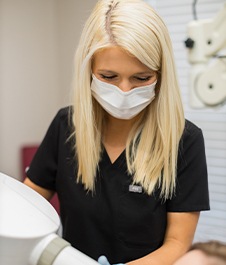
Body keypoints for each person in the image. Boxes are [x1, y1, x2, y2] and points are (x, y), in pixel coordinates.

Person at [23, 0, 210, 264]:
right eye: (109, 77)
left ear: (161, 74)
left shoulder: (184, 141)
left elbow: (178, 244)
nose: (124, 91)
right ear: (88, 70)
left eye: (141, 78)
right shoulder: (67, 126)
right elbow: (25, 208)